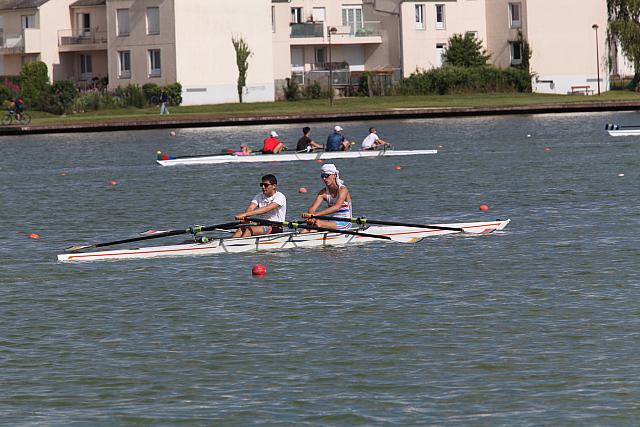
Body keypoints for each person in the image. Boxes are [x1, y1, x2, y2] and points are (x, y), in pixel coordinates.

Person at [302, 163, 353, 231]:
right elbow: (312, 209)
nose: (324, 178)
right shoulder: (323, 193)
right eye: (322, 176)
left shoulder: (343, 189)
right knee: (311, 225)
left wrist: (314, 215)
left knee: (318, 223)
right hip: (332, 222)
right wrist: (311, 216)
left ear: (334, 175)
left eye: (326, 176)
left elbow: (337, 207)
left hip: (345, 223)